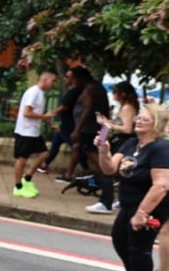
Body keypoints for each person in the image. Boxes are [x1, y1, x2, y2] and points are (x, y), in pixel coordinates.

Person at [98, 105, 169, 271]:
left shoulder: (161, 149)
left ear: (156, 125)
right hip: (130, 204)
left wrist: (142, 213)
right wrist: (104, 151)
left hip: (151, 206)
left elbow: (162, 184)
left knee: (140, 247)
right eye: (138, 117)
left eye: (145, 119)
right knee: (120, 239)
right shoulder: (131, 144)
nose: (138, 120)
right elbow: (110, 168)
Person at [88, 81, 139, 213]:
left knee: (108, 170)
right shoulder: (124, 107)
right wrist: (107, 121)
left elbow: (127, 129)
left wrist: (106, 123)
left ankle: (106, 202)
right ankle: (123, 201)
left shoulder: (128, 108)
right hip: (121, 140)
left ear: (122, 94)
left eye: (115, 92)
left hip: (123, 141)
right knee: (123, 173)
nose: (113, 94)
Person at [70, 67, 114, 213]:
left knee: (91, 151)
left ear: (80, 78)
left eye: (74, 78)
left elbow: (87, 109)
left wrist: (77, 129)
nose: (72, 82)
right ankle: (106, 173)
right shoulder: (98, 87)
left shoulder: (90, 89)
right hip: (99, 126)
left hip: (89, 128)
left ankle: (108, 173)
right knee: (94, 150)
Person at [11, 71, 58, 198]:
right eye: (53, 81)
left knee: (44, 154)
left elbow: (38, 113)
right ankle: (18, 187)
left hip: (34, 132)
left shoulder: (40, 93)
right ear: (45, 79)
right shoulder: (34, 92)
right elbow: (27, 113)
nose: (54, 84)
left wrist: (50, 124)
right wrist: (45, 116)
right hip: (25, 131)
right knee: (22, 159)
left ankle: (27, 178)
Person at [45, 70, 87, 182]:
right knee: (56, 141)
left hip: (70, 125)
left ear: (73, 78)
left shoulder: (74, 92)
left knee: (76, 148)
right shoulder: (77, 91)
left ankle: (87, 170)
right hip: (66, 124)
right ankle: (45, 164)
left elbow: (64, 106)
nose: (65, 79)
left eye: (67, 77)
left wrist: (51, 113)